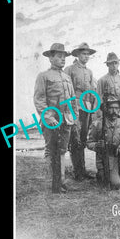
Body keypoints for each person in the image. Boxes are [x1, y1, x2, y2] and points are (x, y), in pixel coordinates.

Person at [34, 43, 78, 193]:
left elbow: (72, 100)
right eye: (59, 56)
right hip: (52, 120)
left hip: (66, 120)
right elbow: (39, 99)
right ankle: (53, 183)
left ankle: (61, 181)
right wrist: (47, 116)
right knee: (51, 150)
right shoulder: (43, 76)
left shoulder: (66, 77)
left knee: (62, 150)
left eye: (64, 57)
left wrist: (74, 117)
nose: (63, 59)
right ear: (50, 58)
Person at [86, 96, 120, 190]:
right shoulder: (97, 124)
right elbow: (89, 143)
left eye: (116, 108)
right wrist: (97, 145)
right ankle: (104, 174)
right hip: (106, 159)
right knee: (116, 185)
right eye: (111, 108)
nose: (114, 111)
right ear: (106, 109)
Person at [64, 42, 97, 181]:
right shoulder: (69, 69)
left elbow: (91, 91)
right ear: (77, 55)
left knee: (83, 139)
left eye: (88, 54)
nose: (86, 56)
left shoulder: (89, 72)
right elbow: (66, 90)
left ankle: (82, 170)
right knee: (75, 138)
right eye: (83, 53)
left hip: (87, 107)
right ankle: (77, 172)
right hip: (75, 106)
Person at [96, 52, 120, 119]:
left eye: (116, 63)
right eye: (111, 63)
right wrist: (99, 115)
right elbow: (98, 99)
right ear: (107, 65)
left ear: (118, 64)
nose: (114, 66)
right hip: (108, 113)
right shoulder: (102, 80)